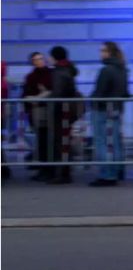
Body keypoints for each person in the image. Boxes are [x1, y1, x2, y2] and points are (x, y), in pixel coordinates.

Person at [89, 42, 129, 187]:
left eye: (103, 50)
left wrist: (92, 100)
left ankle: (107, 174)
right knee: (116, 142)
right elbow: (125, 92)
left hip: (102, 110)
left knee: (103, 143)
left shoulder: (106, 70)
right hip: (117, 108)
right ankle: (118, 170)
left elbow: (100, 91)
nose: (101, 53)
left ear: (109, 52)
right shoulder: (123, 69)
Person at [46, 46, 80, 184]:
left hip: (61, 111)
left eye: (50, 56)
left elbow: (58, 93)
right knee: (64, 141)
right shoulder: (68, 69)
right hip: (67, 110)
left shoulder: (59, 72)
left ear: (55, 57)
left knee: (61, 142)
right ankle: (64, 172)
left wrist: (46, 98)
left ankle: (62, 174)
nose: (48, 59)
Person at [22, 52, 53, 181]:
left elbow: (51, 91)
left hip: (48, 110)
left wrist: (39, 96)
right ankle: (42, 169)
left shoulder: (51, 74)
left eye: (40, 59)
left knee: (47, 141)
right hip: (36, 111)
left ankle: (48, 169)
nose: (39, 61)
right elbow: (27, 95)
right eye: (36, 59)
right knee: (40, 141)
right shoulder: (31, 77)